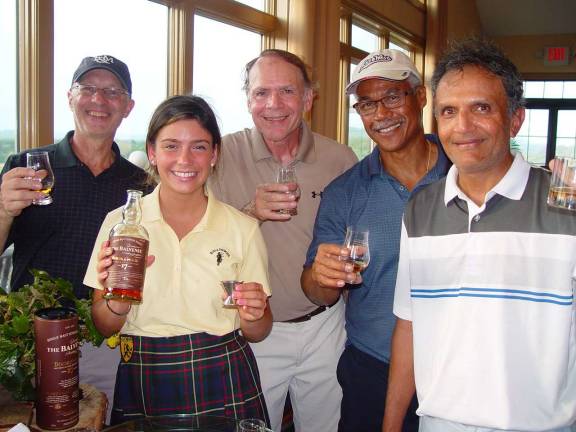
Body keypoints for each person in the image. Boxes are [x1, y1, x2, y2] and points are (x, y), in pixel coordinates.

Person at [384, 38, 576, 432]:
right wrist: (390, 425)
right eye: (449, 112)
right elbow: (409, 325)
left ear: (515, 119)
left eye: (482, 108)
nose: (463, 127)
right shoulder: (420, 210)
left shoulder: (565, 203)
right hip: (438, 424)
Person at [84, 95, 272, 425]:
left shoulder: (243, 228)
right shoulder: (121, 226)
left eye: (199, 147)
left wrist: (254, 313)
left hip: (223, 371)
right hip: (144, 373)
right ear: (152, 152)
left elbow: (259, 330)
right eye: (171, 146)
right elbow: (104, 325)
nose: (185, 159)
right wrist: (118, 301)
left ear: (214, 155)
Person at [301, 49, 451, 432]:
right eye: (367, 104)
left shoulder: (462, 172)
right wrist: (321, 275)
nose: (380, 114)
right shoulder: (345, 192)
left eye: (392, 97)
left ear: (420, 97)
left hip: (459, 365)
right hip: (374, 368)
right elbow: (318, 292)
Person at [208, 49, 358, 432]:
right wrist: (249, 212)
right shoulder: (219, 156)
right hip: (253, 329)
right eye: (261, 93)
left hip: (325, 326)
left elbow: (357, 240)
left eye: (287, 92)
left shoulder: (339, 160)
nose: (273, 105)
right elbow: (197, 241)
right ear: (248, 101)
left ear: (308, 99)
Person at [0, 55, 149, 420]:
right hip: (31, 341)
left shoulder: (140, 185)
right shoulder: (28, 167)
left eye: (112, 92)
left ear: (128, 107)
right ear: (70, 97)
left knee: (96, 422)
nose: (99, 100)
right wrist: (3, 210)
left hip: (105, 342)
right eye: (88, 89)